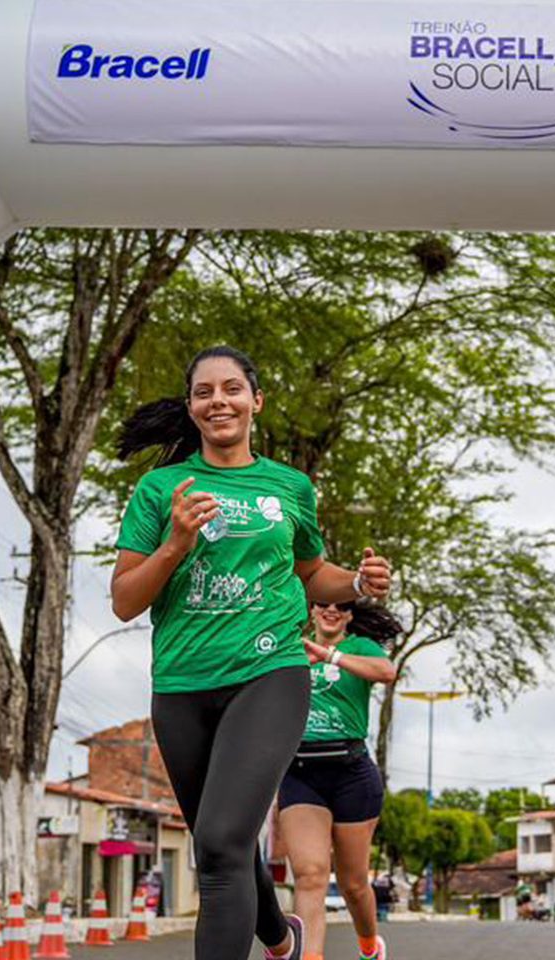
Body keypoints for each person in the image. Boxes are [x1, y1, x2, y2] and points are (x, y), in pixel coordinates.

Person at [111, 346, 394, 960]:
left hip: (270, 672)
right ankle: (277, 935)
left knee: (216, 844)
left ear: (256, 401)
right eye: (205, 392)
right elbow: (124, 601)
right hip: (183, 683)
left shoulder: (290, 486)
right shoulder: (161, 489)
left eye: (233, 388)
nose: (220, 401)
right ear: (191, 407)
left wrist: (356, 584)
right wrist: (175, 544)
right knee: (223, 843)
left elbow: (311, 570)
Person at [277, 599, 401, 960]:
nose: (331, 610)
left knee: (353, 883)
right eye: (323, 604)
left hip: (351, 774)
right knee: (311, 875)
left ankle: (369, 947)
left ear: (350, 615)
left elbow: (385, 672)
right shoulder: (292, 644)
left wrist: (329, 656)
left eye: (341, 606)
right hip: (300, 773)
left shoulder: (359, 647)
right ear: (311, 610)